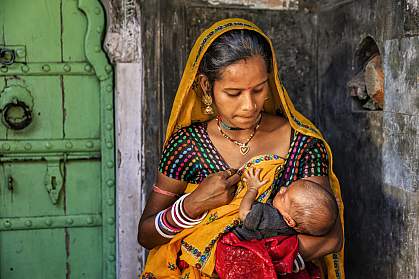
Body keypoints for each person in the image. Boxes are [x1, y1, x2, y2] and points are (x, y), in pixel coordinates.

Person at [138, 18, 345, 279]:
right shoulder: (186, 147)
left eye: (258, 89)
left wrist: (251, 263)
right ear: (206, 86)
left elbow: (331, 238)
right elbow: (146, 235)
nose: (249, 105)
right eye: (234, 93)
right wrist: (192, 205)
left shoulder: (302, 144)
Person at [213, 168, 339, 279]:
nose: (282, 189)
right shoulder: (294, 229)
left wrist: (252, 189)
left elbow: (244, 214)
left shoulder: (269, 215)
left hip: (235, 247)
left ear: (289, 220)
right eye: (287, 187)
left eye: (284, 196)